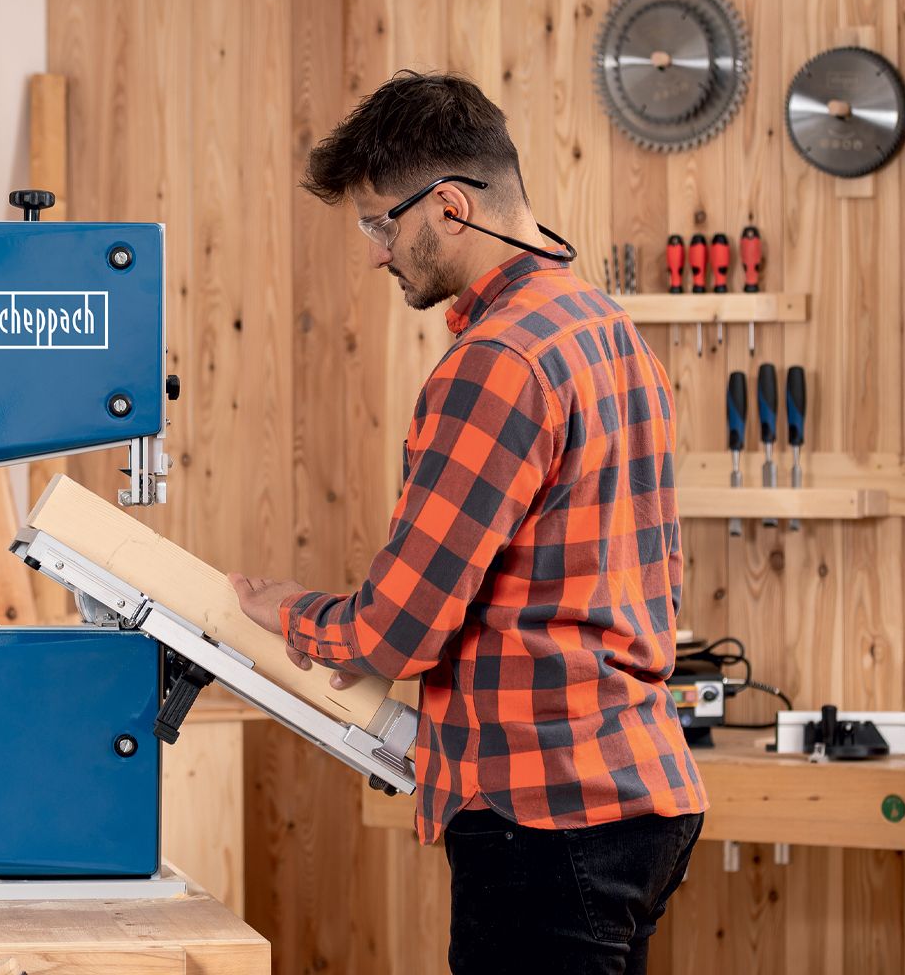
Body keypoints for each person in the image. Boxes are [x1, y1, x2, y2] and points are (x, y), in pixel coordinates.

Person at [229, 70, 706, 975]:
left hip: (546, 815)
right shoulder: (603, 327)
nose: (375, 252)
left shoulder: (496, 362)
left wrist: (289, 611)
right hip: (634, 791)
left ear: (448, 204)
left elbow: (396, 631)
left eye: (380, 223)